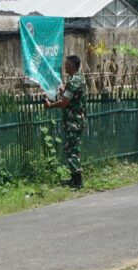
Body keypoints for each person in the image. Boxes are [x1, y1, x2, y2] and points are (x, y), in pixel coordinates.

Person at [44, 54, 87, 189]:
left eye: (67, 65)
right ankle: (74, 179)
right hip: (76, 120)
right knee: (73, 149)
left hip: (73, 121)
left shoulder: (74, 81)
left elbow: (64, 102)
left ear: (73, 66)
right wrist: (64, 90)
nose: (65, 67)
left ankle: (77, 182)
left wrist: (50, 105)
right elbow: (70, 97)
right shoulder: (78, 79)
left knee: (72, 150)